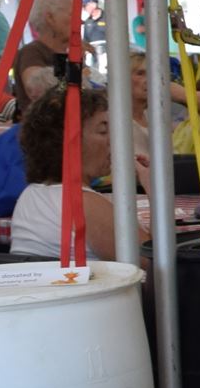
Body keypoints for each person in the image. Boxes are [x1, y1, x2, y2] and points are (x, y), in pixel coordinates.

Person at [10, 83, 148, 261]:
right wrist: (154, 190)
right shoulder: (85, 203)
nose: (113, 139)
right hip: (84, 288)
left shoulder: (30, 195)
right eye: (103, 131)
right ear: (69, 142)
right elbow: (155, 265)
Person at [11, 0, 80, 101]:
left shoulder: (66, 52)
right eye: (73, 14)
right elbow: (36, 89)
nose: (79, 20)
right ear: (50, 18)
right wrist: (74, 64)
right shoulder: (32, 52)